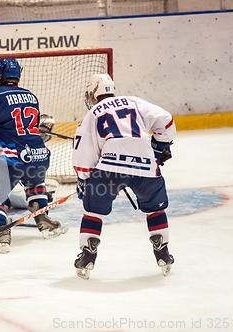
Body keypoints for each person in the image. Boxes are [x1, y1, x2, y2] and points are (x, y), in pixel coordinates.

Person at [0, 58, 68, 253]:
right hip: (40, 155)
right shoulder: (30, 96)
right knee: (34, 184)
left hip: (12, 159)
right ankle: (44, 220)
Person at [72, 73, 176, 279]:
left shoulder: (93, 113)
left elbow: (84, 153)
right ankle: (161, 250)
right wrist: (161, 146)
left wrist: (84, 180)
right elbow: (166, 120)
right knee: (155, 209)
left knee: (93, 211)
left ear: (93, 93)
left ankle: (87, 254)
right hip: (145, 165)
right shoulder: (134, 102)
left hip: (109, 168)